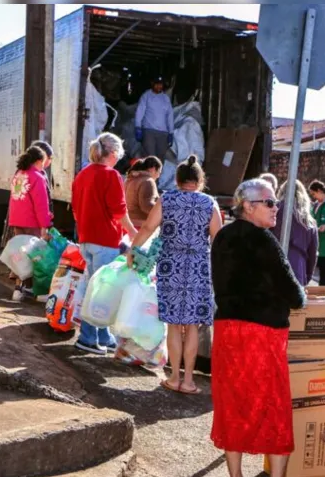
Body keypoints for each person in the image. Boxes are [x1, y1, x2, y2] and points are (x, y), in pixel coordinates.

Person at [210, 178, 307, 477]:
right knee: (274, 408)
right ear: (248, 206)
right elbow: (295, 295)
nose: (275, 208)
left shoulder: (222, 237)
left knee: (232, 405)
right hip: (261, 335)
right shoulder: (264, 241)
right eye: (269, 203)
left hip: (226, 332)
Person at [127, 155, 221, 394]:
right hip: (199, 268)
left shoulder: (167, 199)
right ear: (200, 181)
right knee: (191, 326)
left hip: (171, 266)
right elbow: (218, 239)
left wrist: (134, 250)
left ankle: (174, 377)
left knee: (173, 325)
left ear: (178, 180)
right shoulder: (209, 203)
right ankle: (189, 381)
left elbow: (148, 227)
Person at [71, 132, 138, 355]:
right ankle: (88, 337)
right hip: (105, 240)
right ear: (113, 153)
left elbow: (75, 208)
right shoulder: (111, 176)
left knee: (94, 286)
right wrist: (134, 233)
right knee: (101, 292)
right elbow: (119, 210)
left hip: (86, 238)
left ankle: (102, 336)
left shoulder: (83, 174)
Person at [7, 145, 53, 301]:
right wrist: (44, 226)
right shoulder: (37, 177)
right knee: (37, 257)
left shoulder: (19, 175)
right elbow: (41, 205)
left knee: (20, 256)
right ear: (39, 160)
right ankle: (39, 293)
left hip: (17, 222)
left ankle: (18, 290)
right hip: (32, 223)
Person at [272, 180, 318, 286]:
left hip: (273, 263)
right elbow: (313, 251)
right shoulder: (308, 220)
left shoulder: (274, 210)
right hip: (298, 266)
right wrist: (308, 275)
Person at [135, 76, 174, 160]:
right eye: (157, 84)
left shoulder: (165, 98)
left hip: (163, 133)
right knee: (150, 157)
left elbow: (169, 115)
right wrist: (138, 127)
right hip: (149, 131)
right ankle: (149, 173)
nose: (159, 86)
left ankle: (158, 173)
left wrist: (171, 132)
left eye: (161, 85)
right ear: (152, 83)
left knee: (160, 158)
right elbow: (140, 111)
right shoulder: (146, 96)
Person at [124, 156, 162, 231]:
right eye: (159, 172)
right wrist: (163, 213)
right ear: (153, 169)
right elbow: (146, 206)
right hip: (141, 227)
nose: (158, 176)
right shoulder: (148, 181)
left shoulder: (129, 179)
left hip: (127, 224)